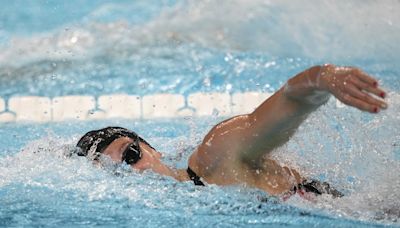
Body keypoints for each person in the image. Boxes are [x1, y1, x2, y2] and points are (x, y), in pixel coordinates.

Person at [75, 64, 388, 200]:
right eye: (118, 174)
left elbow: (288, 100)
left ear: (151, 148)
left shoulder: (214, 155)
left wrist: (323, 77)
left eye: (131, 155)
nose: (135, 172)